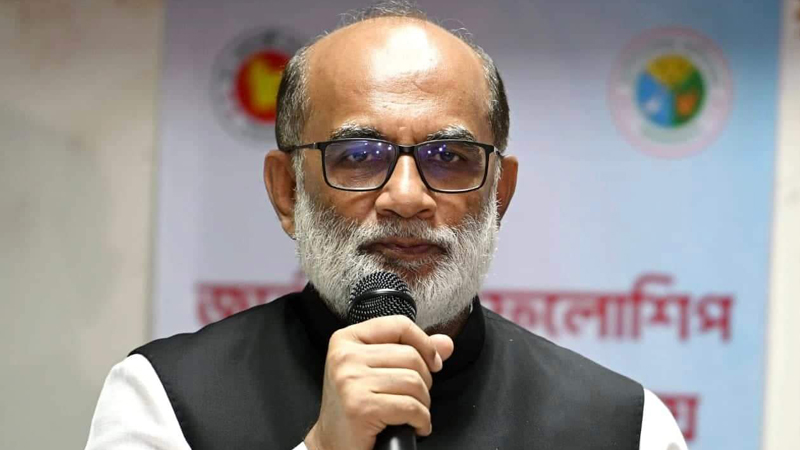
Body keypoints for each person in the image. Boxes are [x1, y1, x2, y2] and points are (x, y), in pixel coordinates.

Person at [85, 2, 687, 449]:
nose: (406, 197)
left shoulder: (625, 427)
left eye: (449, 157)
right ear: (287, 191)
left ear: (499, 193)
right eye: (358, 155)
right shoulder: (166, 400)